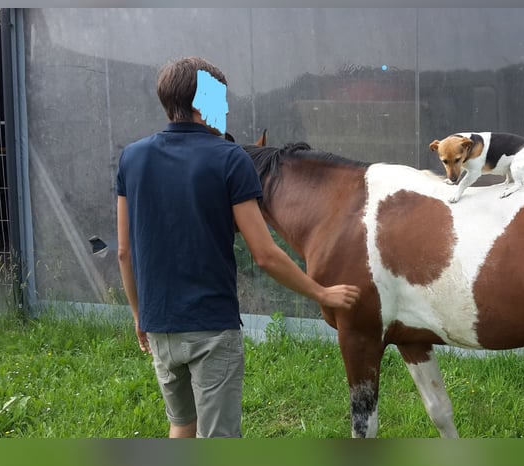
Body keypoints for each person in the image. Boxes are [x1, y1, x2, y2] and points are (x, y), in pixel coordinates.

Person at [116, 56, 360, 438]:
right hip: (211, 329)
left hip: (159, 325)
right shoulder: (230, 159)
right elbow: (264, 253)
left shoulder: (131, 157)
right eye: (220, 100)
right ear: (199, 105)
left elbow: (124, 252)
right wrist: (321, 292)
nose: (226, 108)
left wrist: (138, 315)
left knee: (181, 427)